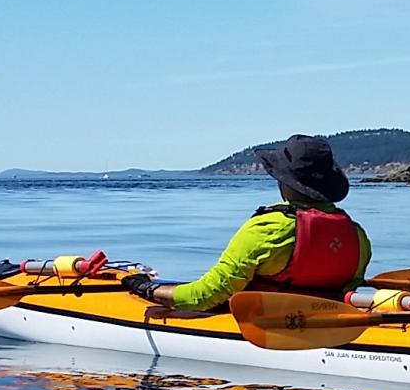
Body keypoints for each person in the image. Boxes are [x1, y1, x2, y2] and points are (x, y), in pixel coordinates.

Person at [123, 135, 371, 316]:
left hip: (266, 326)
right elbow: (349, 290)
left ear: (284, 182)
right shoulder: (357, 235)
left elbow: (204, 296)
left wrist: (148, 289)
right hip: (323, 322)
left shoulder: (267, 229)